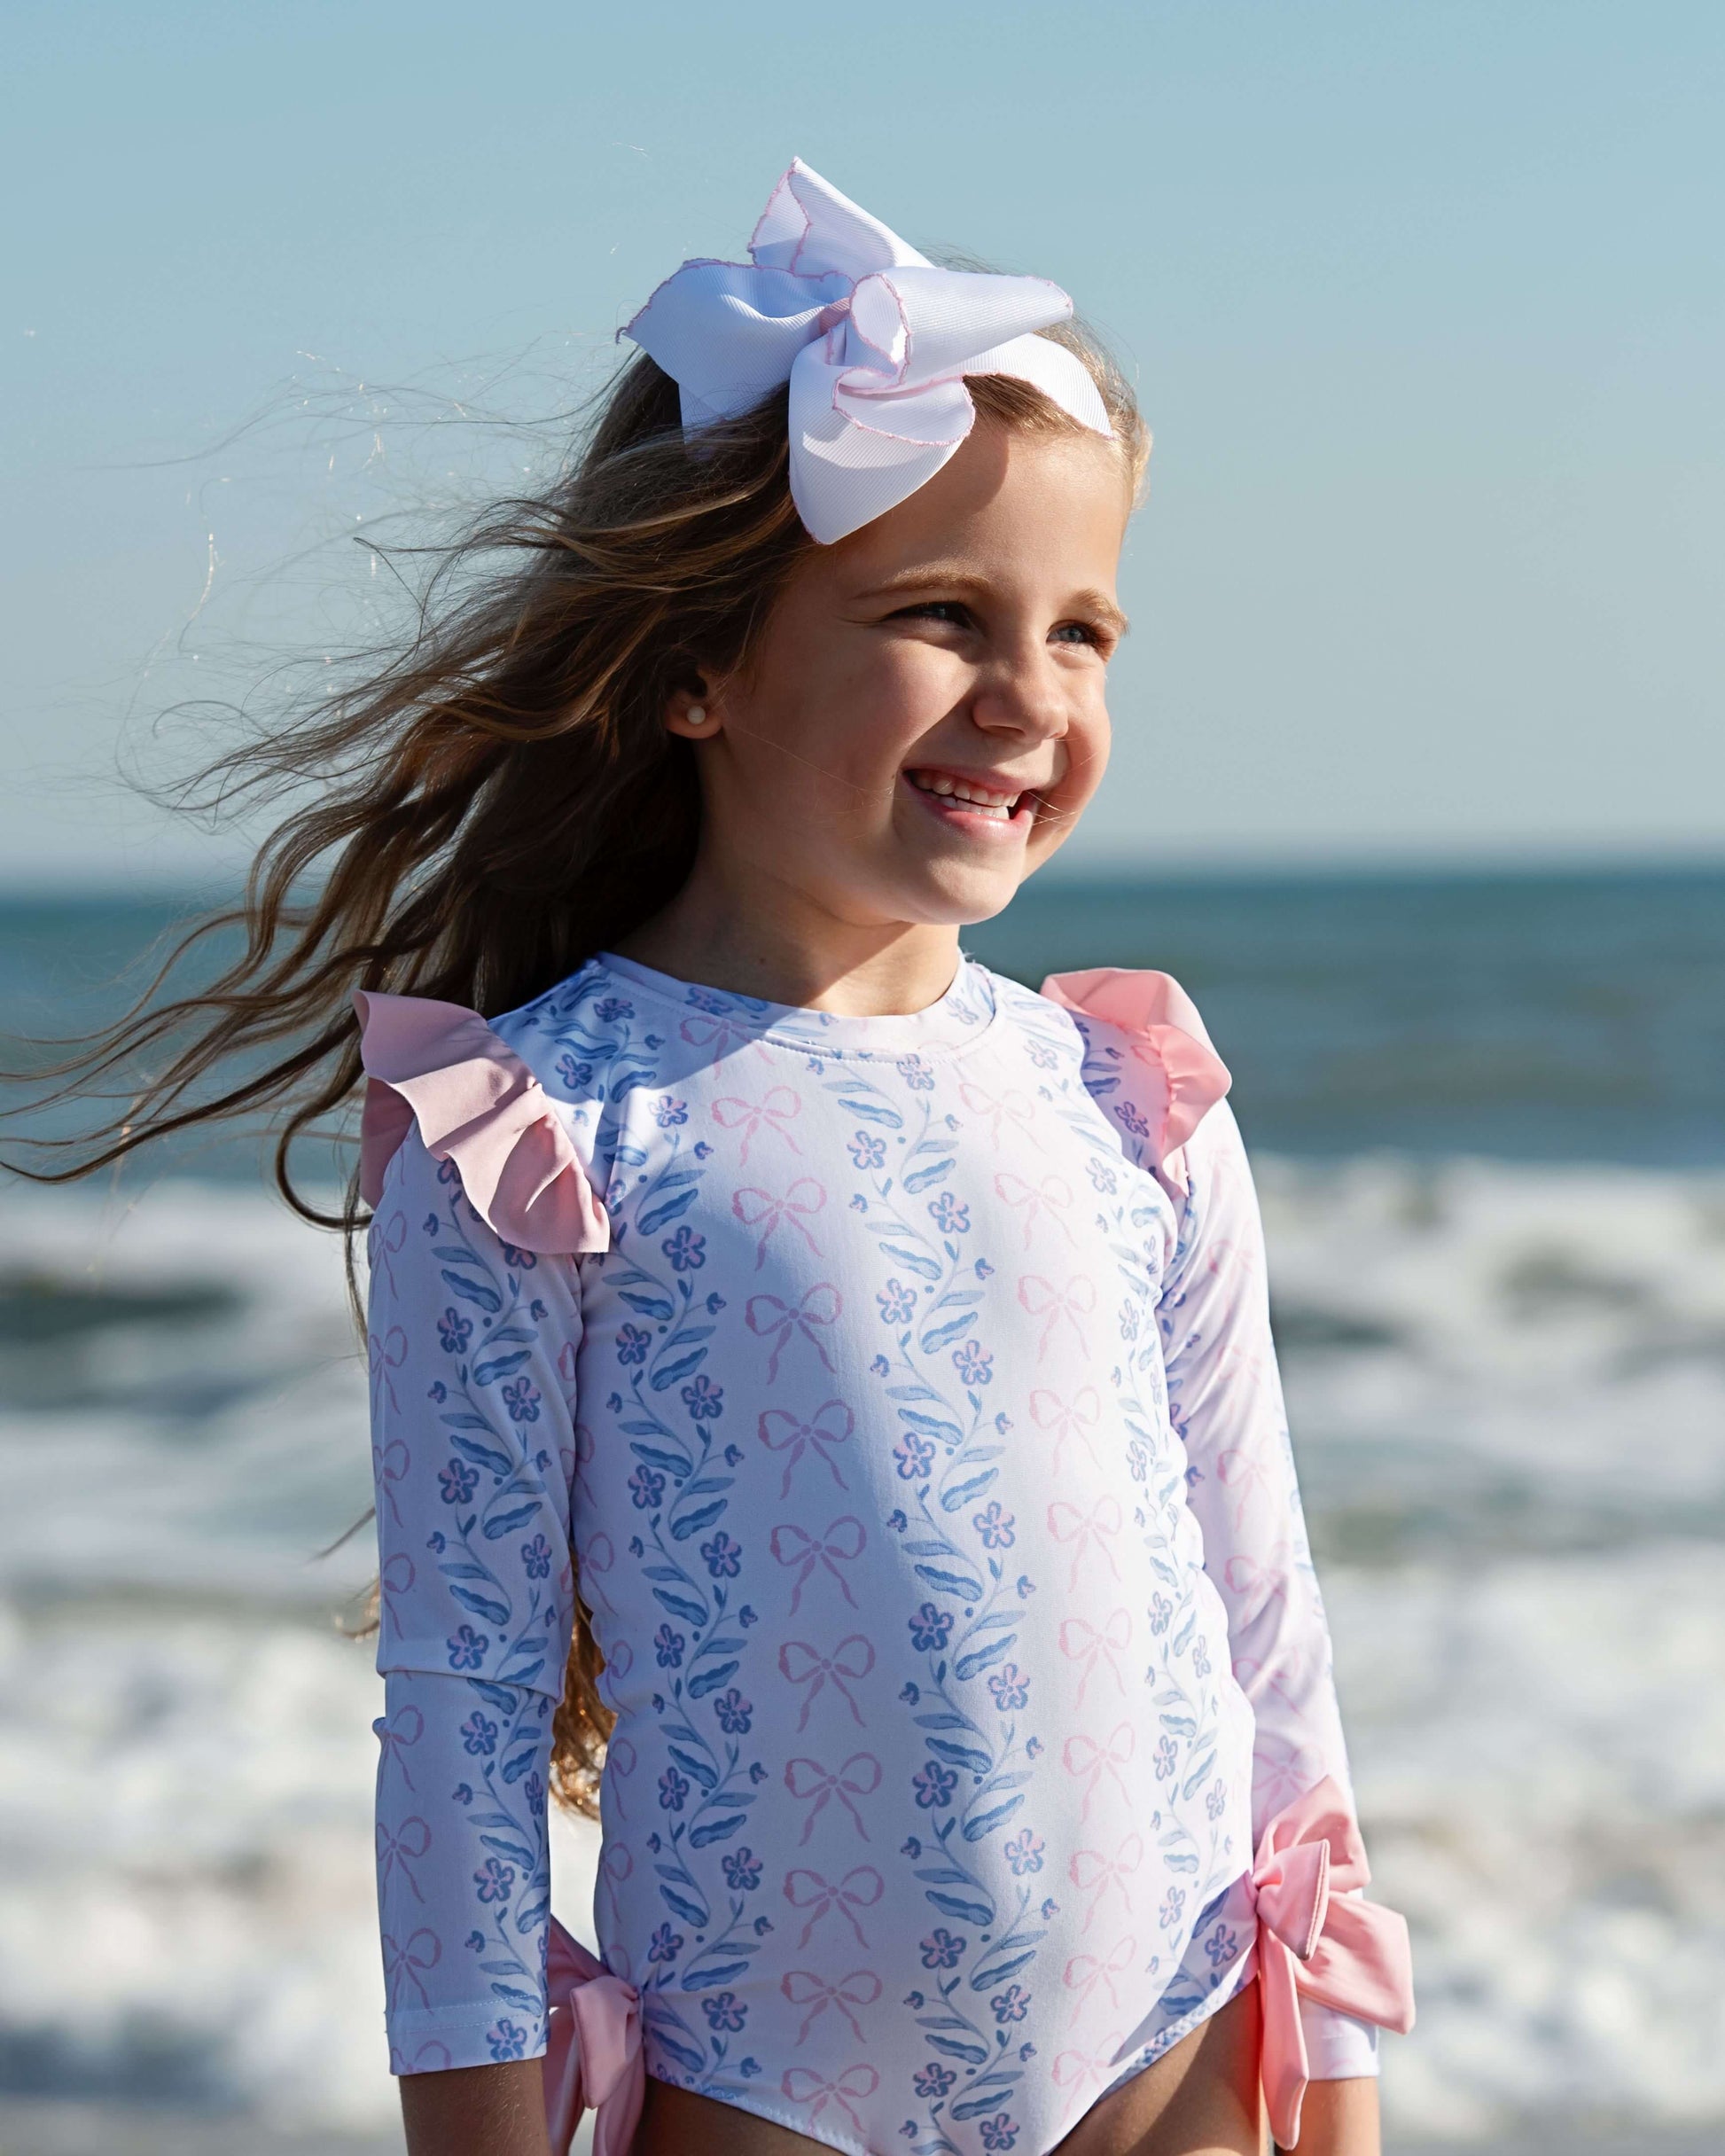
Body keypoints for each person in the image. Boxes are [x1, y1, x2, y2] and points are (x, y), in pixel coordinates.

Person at [19, 160, 1414, 2156]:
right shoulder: (534, 1130)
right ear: (694, 668)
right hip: (775, 2099)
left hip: (1174, 2059)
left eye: (1084, 629)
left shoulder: (1129, 1099)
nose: (1032, 696)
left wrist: (1335, 2086)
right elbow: (465, 1717)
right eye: (944, 614)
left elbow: (1267, 1628)